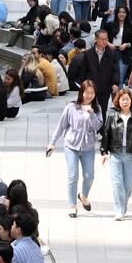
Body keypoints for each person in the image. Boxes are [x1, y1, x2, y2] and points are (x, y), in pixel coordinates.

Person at [48, 80, 103, 217]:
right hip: (71, 145)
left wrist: (91, 114)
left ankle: (83, 195)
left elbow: (97, 127)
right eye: (86, 92)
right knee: (73, 176)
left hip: (88, 147)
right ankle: (72, 205)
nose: (89, 96)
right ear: (81, 92)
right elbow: (61, 126)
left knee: (89, 176)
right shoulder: (71, 107)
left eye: (92, 93)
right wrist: (52, 142)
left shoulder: (97, 109)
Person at [99, 87, 132, 220]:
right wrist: (104, 152)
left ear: (131, 101)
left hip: (130, 154)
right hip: (116, 154)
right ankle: (118, 210)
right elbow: (106, 135)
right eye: (122, 99)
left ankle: (123, 204)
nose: (125, 102)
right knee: (117, 183)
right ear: (118, 101)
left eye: (127, 99)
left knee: (129, 185)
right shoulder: (112, 117)